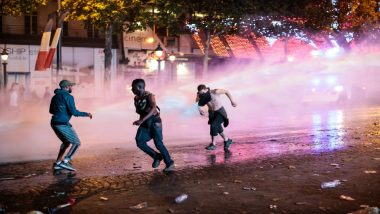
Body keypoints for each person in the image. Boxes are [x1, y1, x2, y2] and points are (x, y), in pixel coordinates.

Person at [131, 78, 174, 172]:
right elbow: (141, 111)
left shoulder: (150, 96)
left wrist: (141, 120)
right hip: (145, 122)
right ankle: (156, 156)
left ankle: (169, 163)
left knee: (158, 143)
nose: (132, 89)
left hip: (154, 122)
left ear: (139, 87)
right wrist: (139, 120)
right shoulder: (136, 98)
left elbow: (153, 109)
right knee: (139, 141)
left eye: (133, 87)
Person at [50, 80, 92, 173]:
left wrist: (61, 111)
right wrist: (87, 114)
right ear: (67, 87)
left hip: (54, 122)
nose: (71, 88)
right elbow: (74, 112)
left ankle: (57, 163)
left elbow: (51, 111)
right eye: (70, 86)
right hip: (62, 124)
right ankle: (65, 161)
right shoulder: (68, 96)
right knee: (76, 143)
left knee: (66, 143)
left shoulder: (55, 97)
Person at [196, 84, 237, 151]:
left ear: (206, 89)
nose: (202, 94)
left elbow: (226, 91)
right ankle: (227, 140)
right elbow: (197, 102)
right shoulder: (201, 95)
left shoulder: (215, 91)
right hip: (212, 113)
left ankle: (213, 144)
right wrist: (200, 109)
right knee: (218, 128)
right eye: (201, 93)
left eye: (203, 92)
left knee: (214, 125)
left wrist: (232, 101)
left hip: (220, 112)